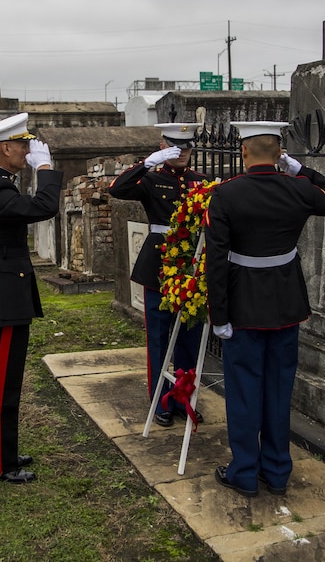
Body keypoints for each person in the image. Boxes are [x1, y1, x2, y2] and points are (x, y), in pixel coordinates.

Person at [205, 121, 325, 498]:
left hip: (243, 309)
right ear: (279, 153)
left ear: (243, 152)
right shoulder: (299, 189)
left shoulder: (226, 195)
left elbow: (216, 262)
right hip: (287, 305)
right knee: (278, 391)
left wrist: (218, 316)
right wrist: (303, 170)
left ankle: (243, 472)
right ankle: (277, 472)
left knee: (243, 393)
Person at [0, 112, 63, 484]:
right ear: (5, 148)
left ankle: (2, 451)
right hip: (2, 297)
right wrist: (47, 169)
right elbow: (44, 207)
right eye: (22, 145)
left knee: (3, 380)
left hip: (1, 292)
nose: (27, 151)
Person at [108, 122, 206, 427]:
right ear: (163, 146)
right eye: (175, 147)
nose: (182, 153)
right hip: (159, 265)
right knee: (159, 336)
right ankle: (161, 400)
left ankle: (183, 397)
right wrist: (146, 163)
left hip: (189, 263)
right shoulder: (151, 180)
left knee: (190, 337)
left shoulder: (200, 181)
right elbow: (117, 189)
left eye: (186, 147)